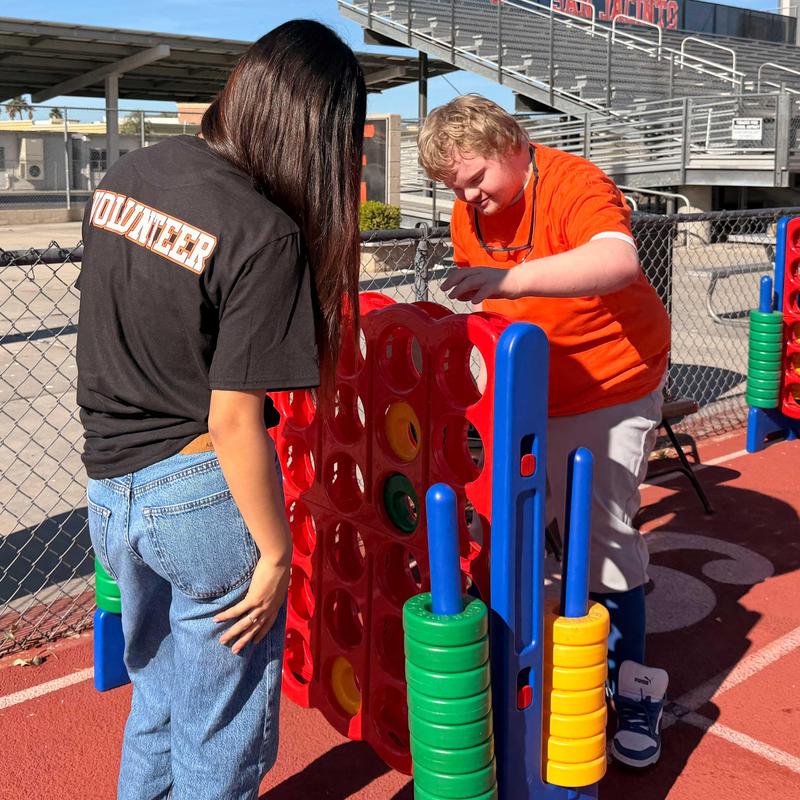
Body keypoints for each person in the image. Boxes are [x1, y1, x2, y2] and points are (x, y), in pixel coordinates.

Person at [77, 21, 366, 800]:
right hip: (198, 498)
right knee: (222, 739)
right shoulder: (264, 231)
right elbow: (237, 419)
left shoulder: (126, 177)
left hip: (109, 492)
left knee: (160, 704)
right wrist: (276, 555)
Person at [418, 95, 671, 769]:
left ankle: (635, 686)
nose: (467, 196)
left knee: (604, 538)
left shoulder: (573, 183)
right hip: (533, 393)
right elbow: (500, 307)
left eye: (474, 178)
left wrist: (511, 275)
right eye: (454, 187)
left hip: (614, 380)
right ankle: (531, 672)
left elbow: (617, 260)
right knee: (528, 532)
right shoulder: (470, 209)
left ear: (510, 143)